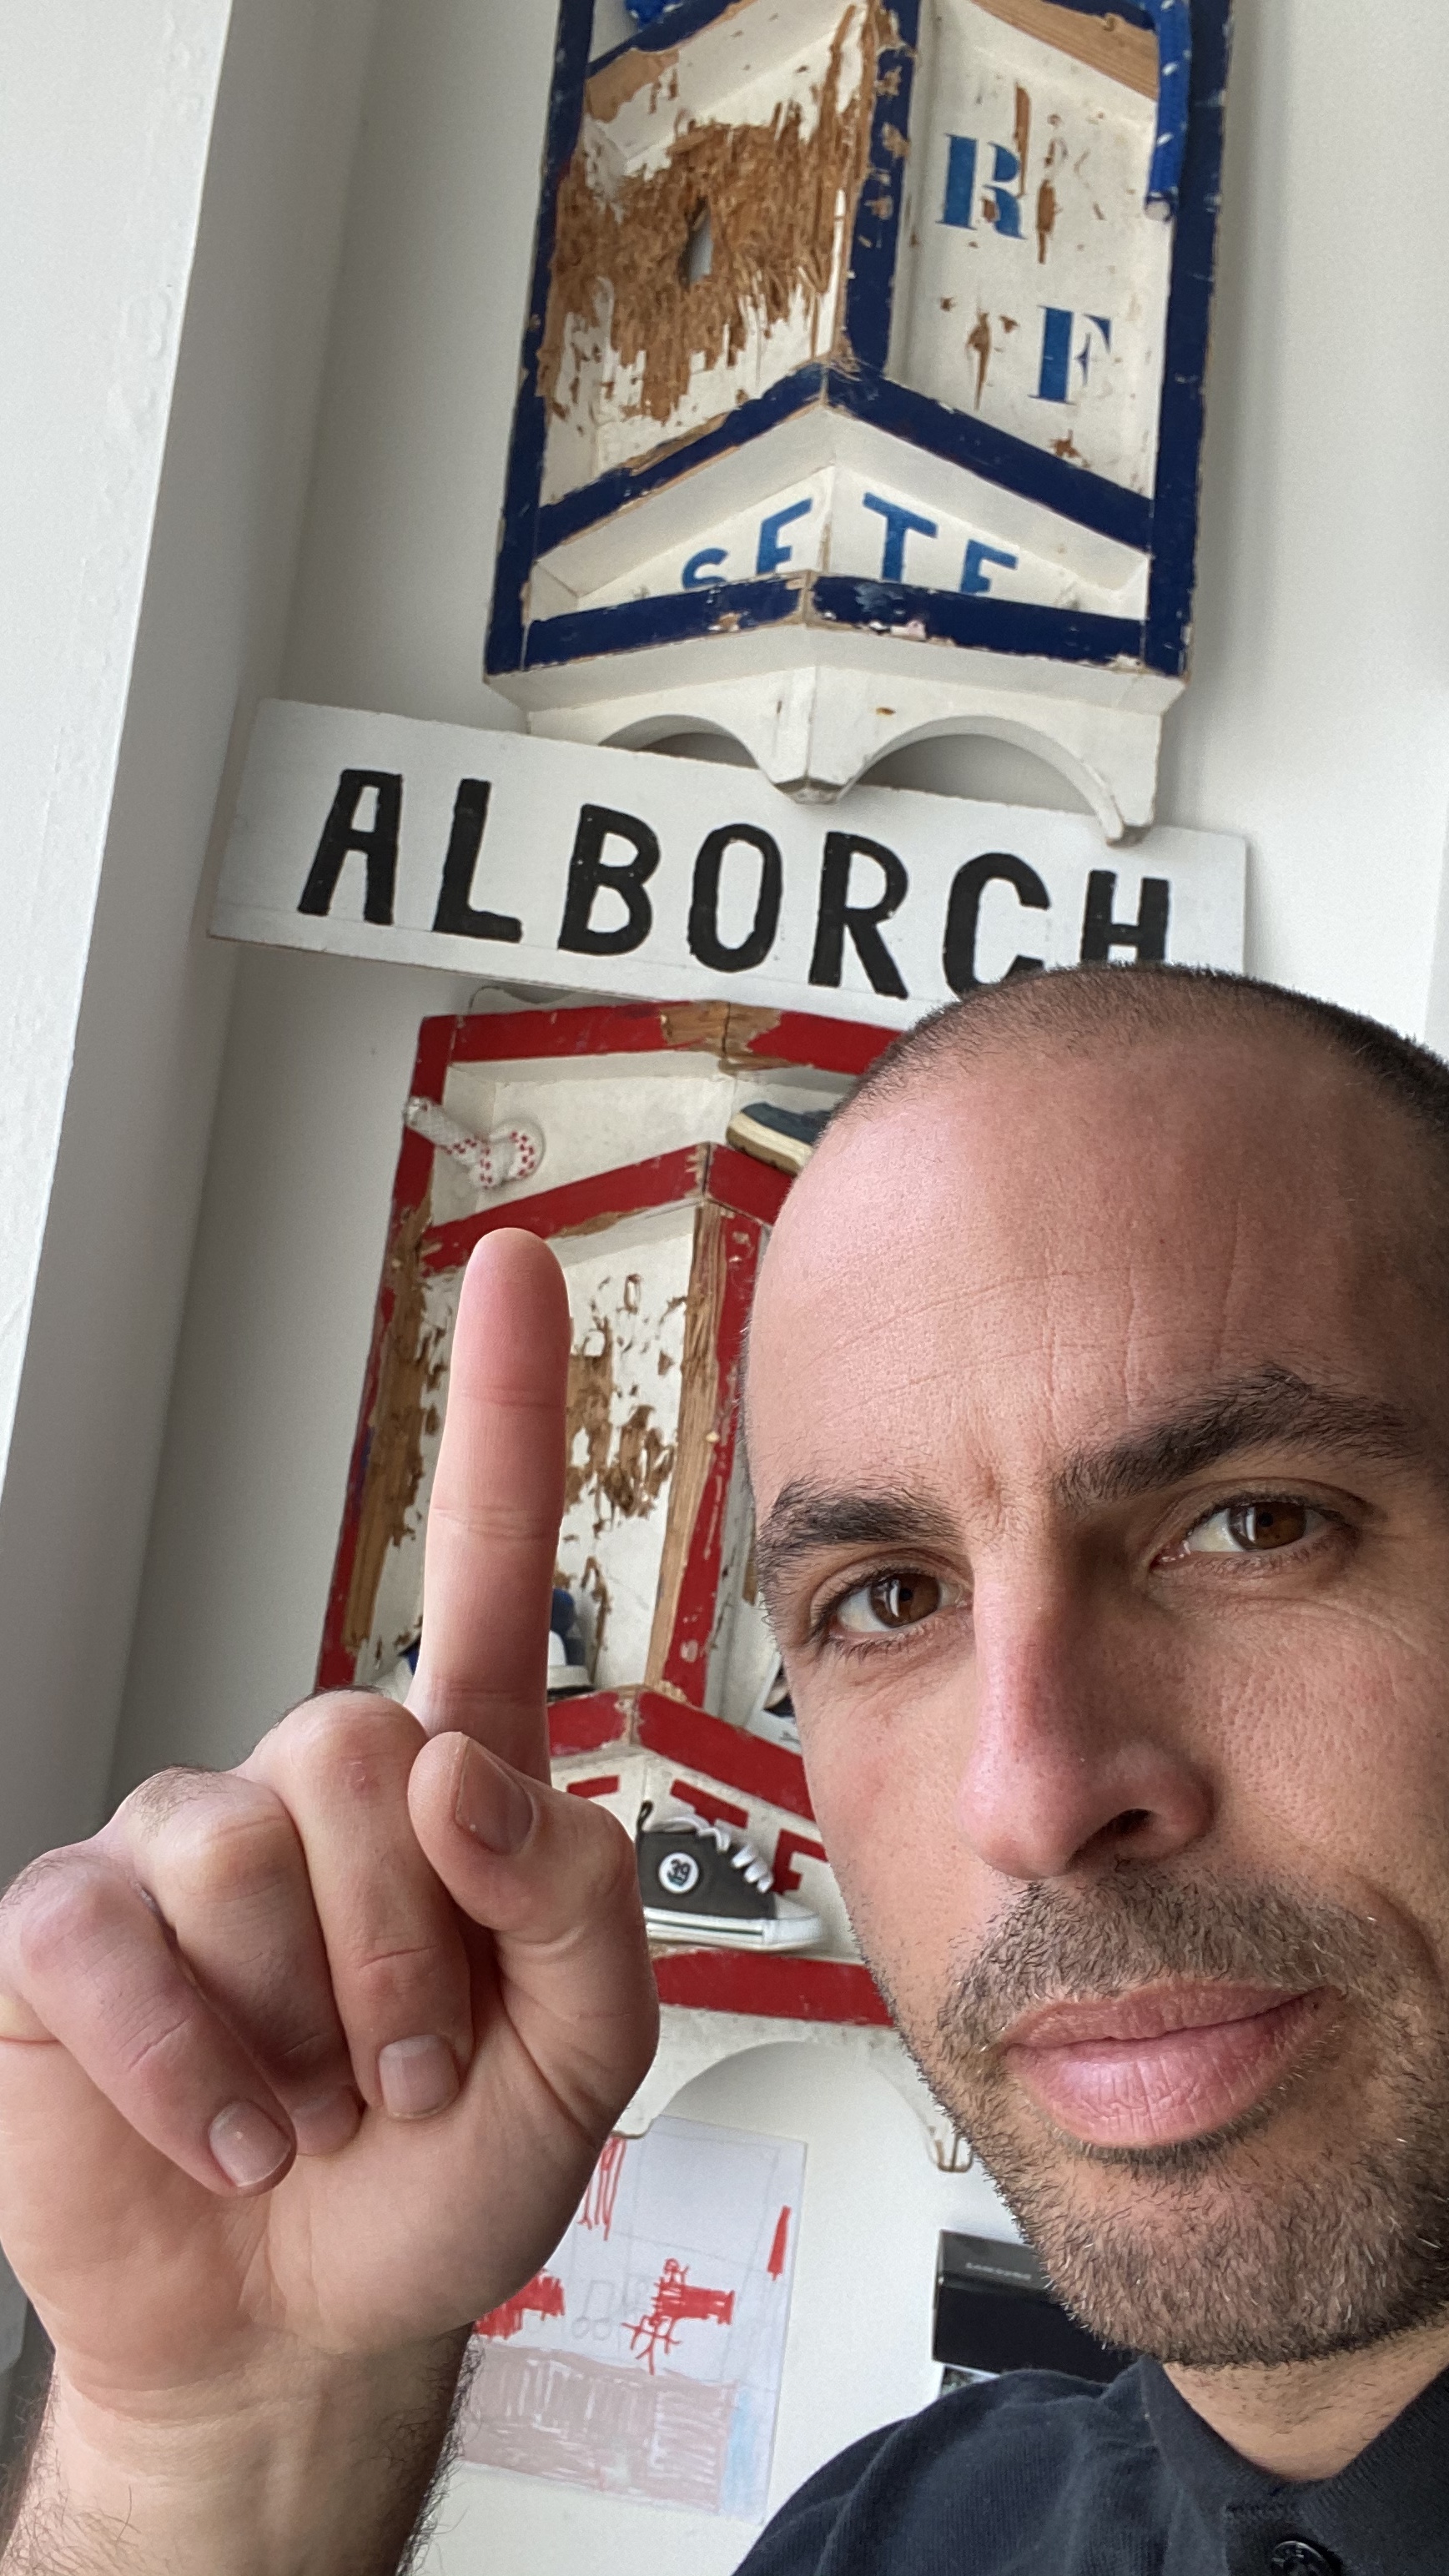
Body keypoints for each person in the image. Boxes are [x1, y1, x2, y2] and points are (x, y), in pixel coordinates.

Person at [3, 963, 1449, 2574]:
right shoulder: (884, 2541)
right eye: (888, 1600)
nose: (1030, 1802)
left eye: (1255, 1524)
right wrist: (237, 2439)